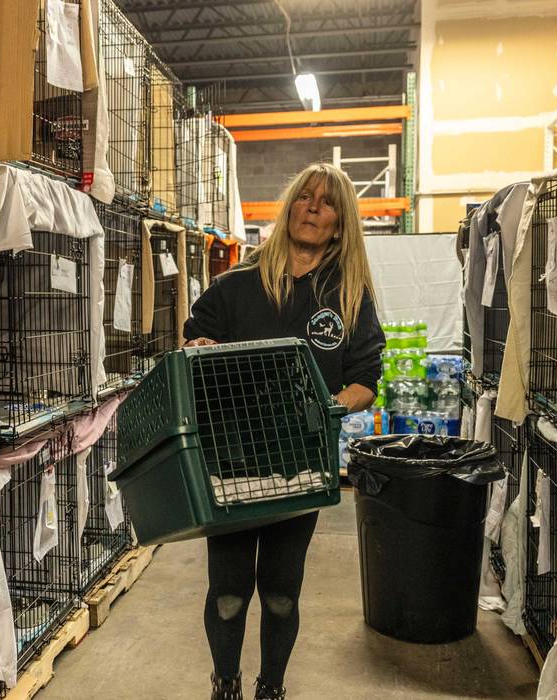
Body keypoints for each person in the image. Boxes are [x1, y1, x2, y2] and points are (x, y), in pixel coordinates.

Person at [183, 163, 386, 700]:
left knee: (280, 596)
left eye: (326, 202)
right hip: (230, 461)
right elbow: (193, 345)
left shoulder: (349, 296)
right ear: (291, 206)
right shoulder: (235, 287)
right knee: (228, 595)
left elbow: (366, 376)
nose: (313, 206)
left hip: (300, 464)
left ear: (340, 224)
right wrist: (199, 352)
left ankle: (271, 687)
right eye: (304, 197)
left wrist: (330, 407)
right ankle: (224, 683)